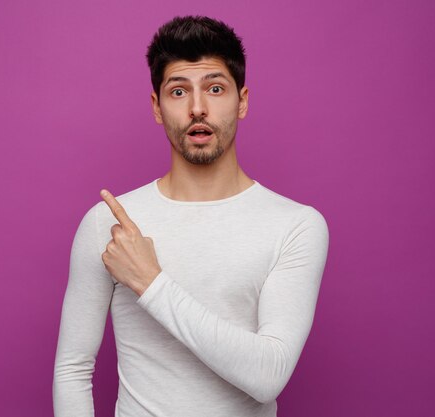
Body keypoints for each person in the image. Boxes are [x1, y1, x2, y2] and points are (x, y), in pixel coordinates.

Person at [52, 15, 329, 417]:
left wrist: (151, 282)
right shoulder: (109, 223)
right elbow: (72, 369)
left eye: (215, 89)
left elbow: (269, 375)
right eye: (178, 91)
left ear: (243, 100)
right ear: (157, 107)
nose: (198, 108)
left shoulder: (296, 225)